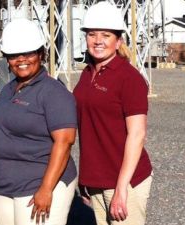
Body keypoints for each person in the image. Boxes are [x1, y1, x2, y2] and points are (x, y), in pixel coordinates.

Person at [0, 18, 77, 225]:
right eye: (14, 55)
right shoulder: (9, 89)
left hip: (38, 184)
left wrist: (46, 189)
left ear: (41, 54)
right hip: (3, 185)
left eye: (28, 53)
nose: (21, 59)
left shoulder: (53, 92)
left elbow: (65, 142)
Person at [73, 2, 153, 225]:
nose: (98, 41)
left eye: (106, 35)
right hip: (97, 178)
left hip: (124, 180)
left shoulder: (129, 78)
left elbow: (137, 134)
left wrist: (121, 188)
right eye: (92, 34)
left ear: (118, 41)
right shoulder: (87, 74)